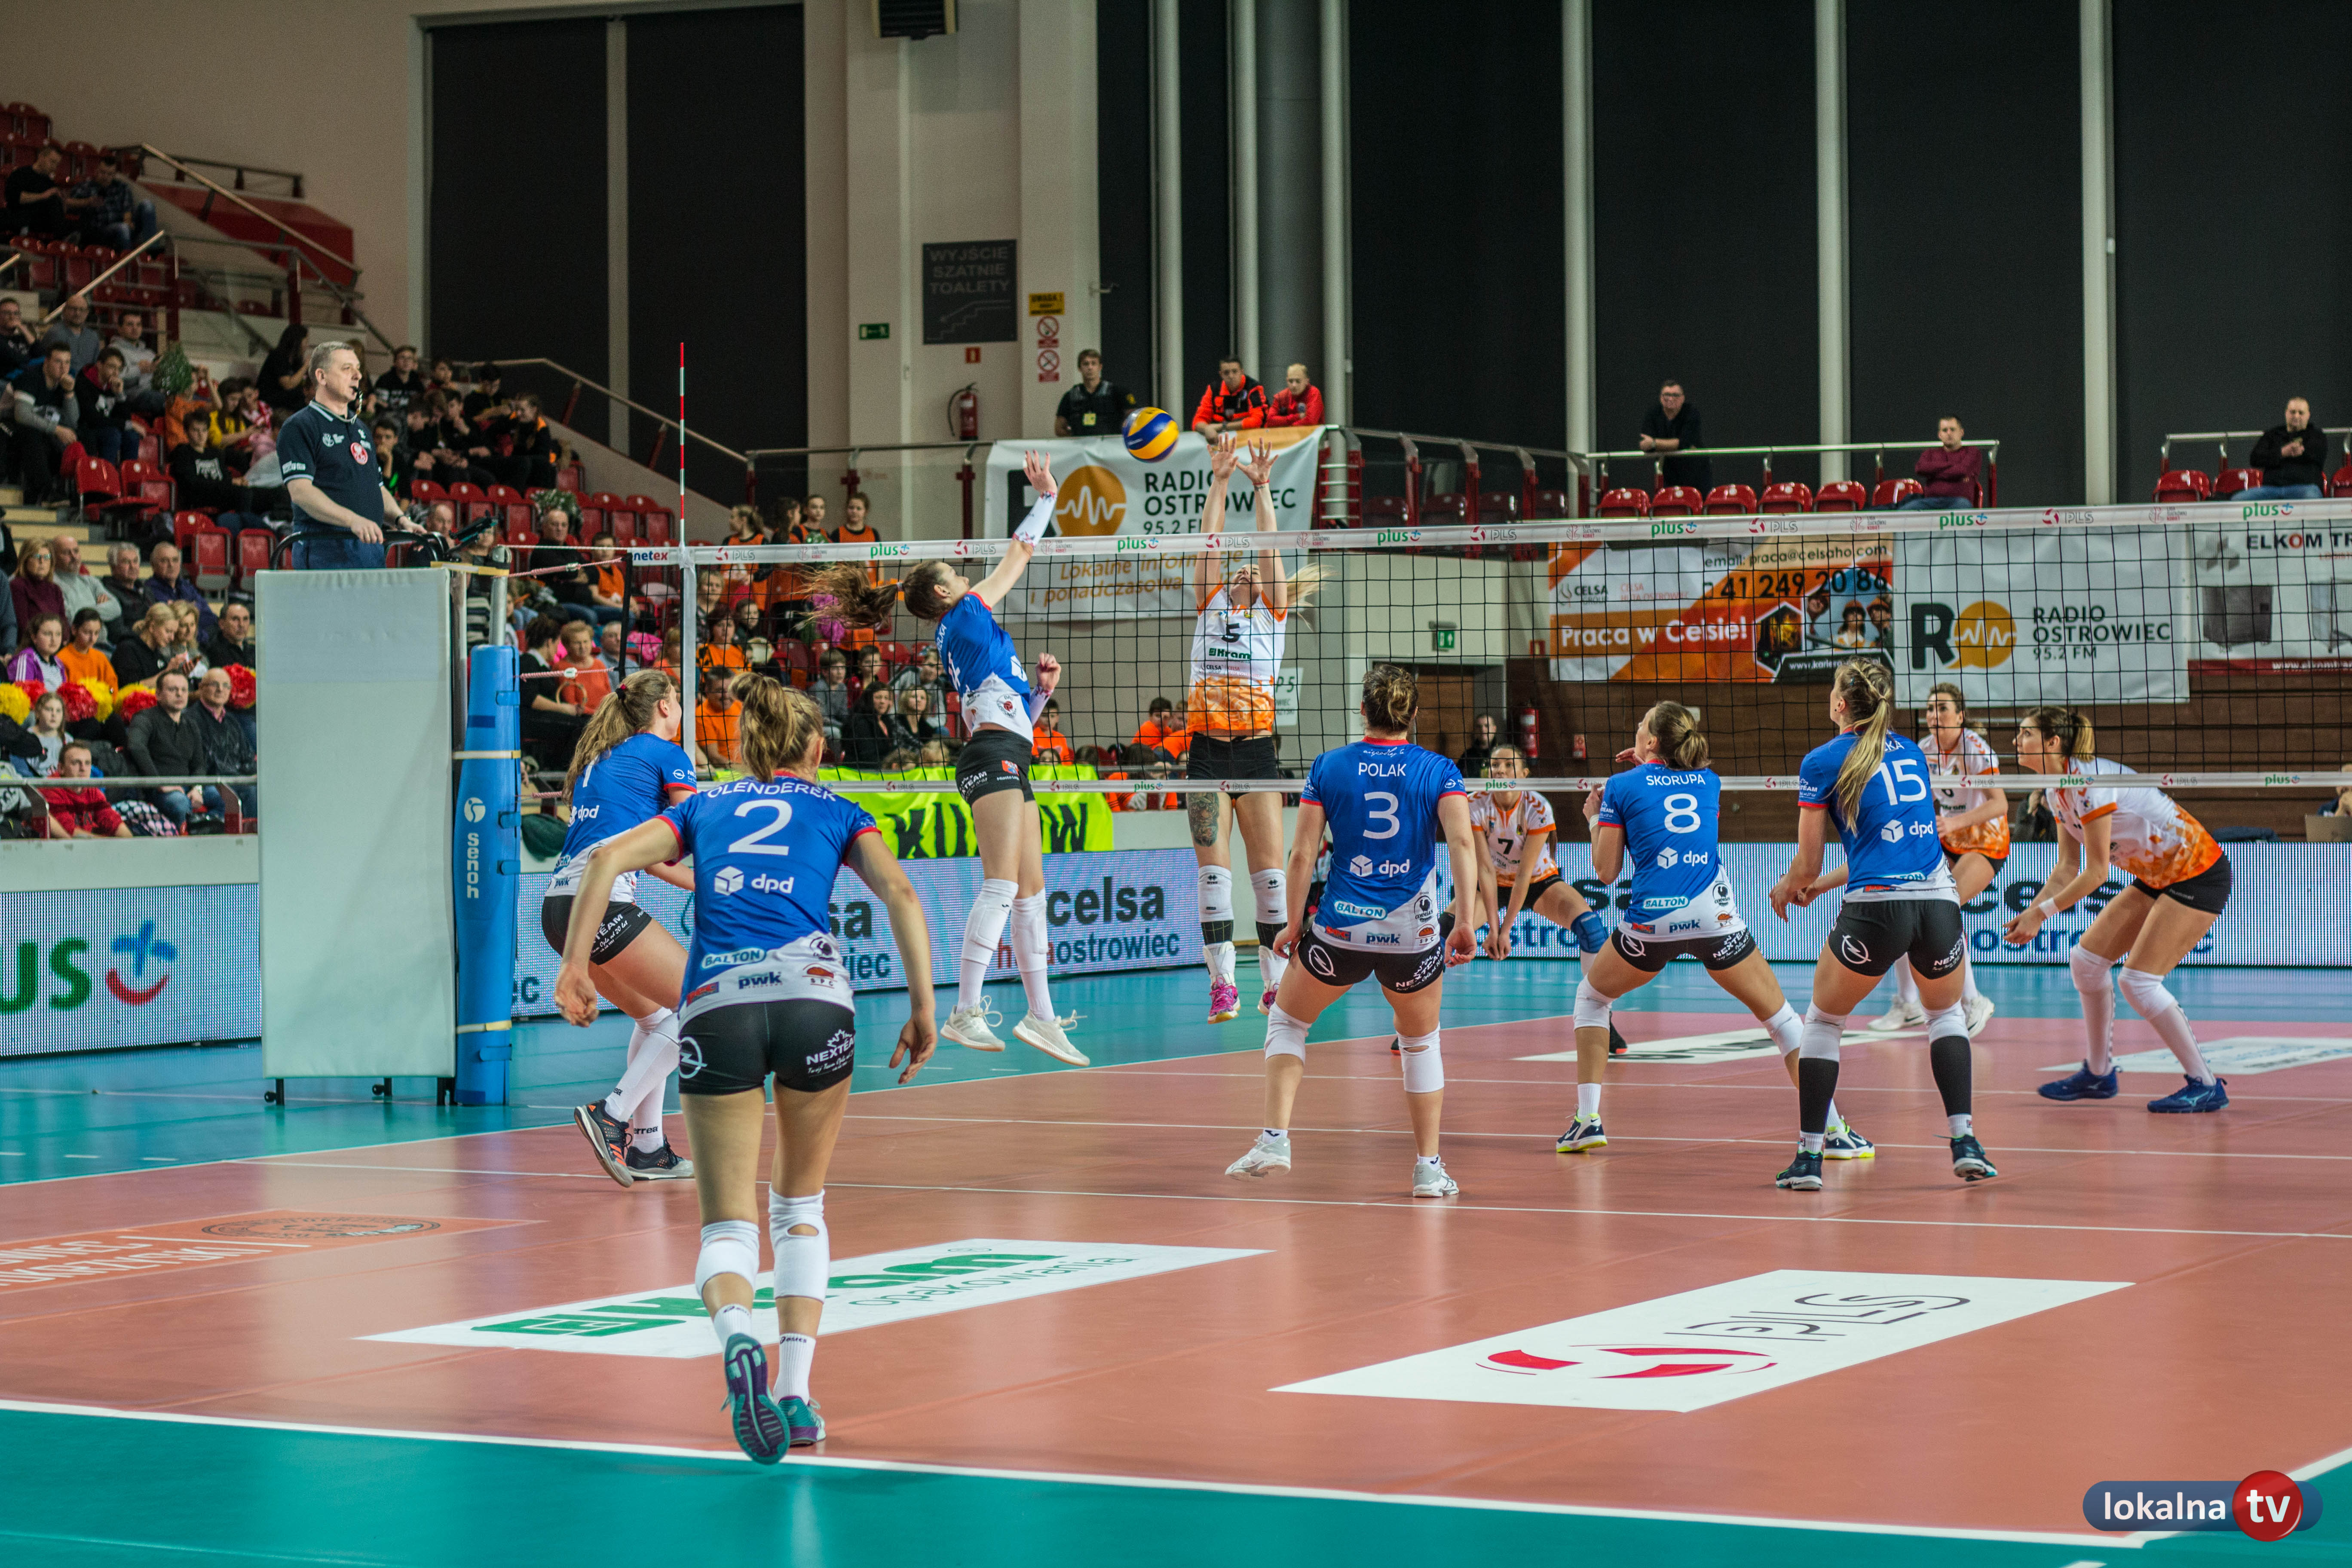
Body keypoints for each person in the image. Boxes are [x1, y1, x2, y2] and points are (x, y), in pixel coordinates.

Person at [553, 674, 937, 1459]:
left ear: (747, 745)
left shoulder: (704, 805)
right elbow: (899, 891)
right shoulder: (839, 809)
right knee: (799, 1209)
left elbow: (605, 857)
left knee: (727, 1224)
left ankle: (736, 1333)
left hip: (719, 1007)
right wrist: (926, 1006)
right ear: (817, 748)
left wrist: (572, 968)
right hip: (813, 1000)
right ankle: (794, 1396)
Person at [805, 451, 1083, 1066]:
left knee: (1031, 892)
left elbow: (1006, 717)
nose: (965, 577)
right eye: (957, 574)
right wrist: (1047, 497)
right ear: (943, 592)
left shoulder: (966, 632)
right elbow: (1020, 555)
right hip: (992, 756)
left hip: (1007, 750)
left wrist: (1040, 696)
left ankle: (1041, 1018)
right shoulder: (968, 614)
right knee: (1004, 883)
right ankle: (965, 1010)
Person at [1224, 665, 1479, 1197]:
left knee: (1287, 1021)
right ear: (1414, 715)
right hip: (1413, 936)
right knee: (1420, 1043)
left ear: (1363, 709)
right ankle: (1428, 1170)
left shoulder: (1330, 766)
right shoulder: (1439, 770)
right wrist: (1466, 922)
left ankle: (1274, 1140)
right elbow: (1461, 844)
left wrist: (1293, 923)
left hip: (1340, 933)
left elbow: (1301, 854)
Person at [1559, 707, 1851, 1155]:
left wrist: (1597, 817)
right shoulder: (1709, 782)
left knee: (1592, 999)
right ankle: (1833, 1131)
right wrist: (1647, 768)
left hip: (1652, 925)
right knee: (1781, 1020)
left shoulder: (1620, 787)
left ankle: (1588, 1121)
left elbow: (1606, 872)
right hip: (1715, 920)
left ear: (1652, 742)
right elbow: (1668, 793)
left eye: (1642, 726)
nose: (1636, 729)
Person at [1768, 659, 1994, 1190]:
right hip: (1938, 905)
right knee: (1946, 1018)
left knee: (1824, 1023)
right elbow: (1888, 844)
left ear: (1840, 704)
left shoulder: (1822, 760)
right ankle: (1966, 1142)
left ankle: (1810, 1158)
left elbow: (1807, 863)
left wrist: (1789, 886)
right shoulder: (1912, 752)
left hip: (1876, 910)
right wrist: (1824, 886)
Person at [2011, 709, 2232, 1113]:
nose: (2015, 741)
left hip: (2197, 872)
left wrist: (2042, 915)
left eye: (2025, 734)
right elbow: (2067, 868)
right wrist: (2033, 911)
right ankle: (2099, 1074)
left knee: (2139, 981)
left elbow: (2097, 873)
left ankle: (2205, 1083)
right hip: (2156, 875)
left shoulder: (2090, 784)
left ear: (2052, 742)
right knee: (2086, 962)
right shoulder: (2057, 790)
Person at [543, 669, 703, 1184]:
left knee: (658, 1020)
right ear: (665, 708)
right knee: (701, 1005)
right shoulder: (666, 754)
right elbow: (695, 830)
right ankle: (611, 1114)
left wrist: (706, 885)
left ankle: (648, 1148)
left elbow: (651, 860)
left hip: (559, 908)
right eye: (678, 700)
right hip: (602, 905)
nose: (682, 710)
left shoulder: (603, 758)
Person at [1185, 435, 1304, 1021]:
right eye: (1238, 569)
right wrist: (1219, 479)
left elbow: (1268, 548)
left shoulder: (1272, 619)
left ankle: (1275, 985)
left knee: (1271, 881)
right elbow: (1210, 543)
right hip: (1206, 754)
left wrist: (1261, 487)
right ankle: (1223, 984)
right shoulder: (1210, 607)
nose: (1244, 571)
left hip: (1257, 755)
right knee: (1213, 878)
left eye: (1253, 571)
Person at [1470, 743, 1624, 1050]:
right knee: (1439, 933)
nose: (1500, 771)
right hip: (1491, 884)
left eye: (1509, 765)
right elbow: (1484, 870)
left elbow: (1524, 875)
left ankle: (1602, 1019)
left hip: (1538, 882)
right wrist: (1492, 929)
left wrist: (1506, 930)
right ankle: (1415, 1023)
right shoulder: (1475, 802)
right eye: (1495, 765)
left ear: (1524, 774)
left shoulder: (1537, 806)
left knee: (1592, 930)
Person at [1870, 684, 2002, 1036]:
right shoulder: (1923, 750)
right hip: (1946, 840)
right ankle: (1908, 1003)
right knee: (1903, 898)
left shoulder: (1975, 749)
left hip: (1985, 841)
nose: (1934, 715)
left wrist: (1954, 823)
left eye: (1943, 708)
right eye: (1930, 709)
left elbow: (2000, 803)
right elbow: (1922, 802)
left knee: (1945, 906)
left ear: (1960, 716)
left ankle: (1974, 1001)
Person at [277, 342, 419, 569]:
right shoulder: (300, 425)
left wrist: (401, 520)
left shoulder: (361, 428)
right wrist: (353, 520)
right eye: (347, 369)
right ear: (322, 377)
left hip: (370, 546)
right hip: (326, 548)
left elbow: (377, 487)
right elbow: (301, 492)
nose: (358, 375)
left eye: (358, 368)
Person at [127, 671, 220, 826]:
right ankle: (183, 838)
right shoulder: (144, 718)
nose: (179, 694)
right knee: (180, 803)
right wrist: (159, 784)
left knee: (224, 799)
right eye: (173, 690)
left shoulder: (191, 724)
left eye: (184, 690)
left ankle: (206, 832)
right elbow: (136, 747)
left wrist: (197, 788)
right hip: (157, 790)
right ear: (158, 694)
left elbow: (199, 764)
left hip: (187, 786)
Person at [167, 418, 278, 540]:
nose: (201, 435)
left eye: (204, 430)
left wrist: (234, 482)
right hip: (200, 495)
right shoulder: (183, 453)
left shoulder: (215, 454)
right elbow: (191, 483)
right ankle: (244, 536)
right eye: (196, 430)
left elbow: (225, 477)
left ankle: (274, 524)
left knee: (270, 494)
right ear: (186, 432)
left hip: (221, 493)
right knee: (243, 494)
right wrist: (228, 483)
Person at [519, 616, 591, 766]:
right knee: (583, 727)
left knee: (588, 721)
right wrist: (563, 708)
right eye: (557, 644)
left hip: (543, 716)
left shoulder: (542, 665)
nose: (558, 649)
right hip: (531, 719)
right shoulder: (528, 661)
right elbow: (531, 699)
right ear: (549, 642)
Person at [12, 343, 79, 504]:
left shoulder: (63, 384)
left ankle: (78, 494)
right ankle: (47, 492)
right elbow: (21, 416)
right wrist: (57, 430)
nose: (64, 368)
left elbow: (73, 421)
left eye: (67, 362)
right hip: (9, 429)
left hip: (41, 433)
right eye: (58, 361)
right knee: (33, 434)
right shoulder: (31, 378)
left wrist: (69, 392)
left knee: (80, 435)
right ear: (47, 362)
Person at [190, 668, 257, 818]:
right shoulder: (191, 719)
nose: (221, 689)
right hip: (211, 781)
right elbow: (200, 762)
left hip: (236, 779)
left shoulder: (232, 721)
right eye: (214, 684)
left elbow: (247, 756)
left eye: (226, 685)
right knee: (251, 791)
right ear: (201, 687)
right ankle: (251, 832)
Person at [2244, 398, 2333, 499]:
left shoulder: (2317, 436)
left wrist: (2301, 452)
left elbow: (2319, 455)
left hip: (2305, 489)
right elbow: (2255, 459)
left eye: (2301, 413)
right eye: (2293, 412)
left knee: (2311, 495)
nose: (2296, 416)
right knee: (2238, 500)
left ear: (2308, 415)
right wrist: (2282, 453)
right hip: (2271, 489)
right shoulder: (2272, 435)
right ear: (2286, 413)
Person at [40, 743, 130, 838]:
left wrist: (130, 841)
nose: (83, 769)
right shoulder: (50, 788)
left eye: (87, 763)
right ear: (61, 768)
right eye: (76, 763)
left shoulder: (92, 791)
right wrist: (109, 843)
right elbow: (69, 832)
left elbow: (113, 821)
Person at [1637, 380, 1712, 492]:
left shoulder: (1691, 413)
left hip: (1696, 471)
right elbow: (1645, 445)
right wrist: (1672, 444)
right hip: (1668, 472)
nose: (1671, 399)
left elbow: (1684, 443)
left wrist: (1655, 443)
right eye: (1667, 395)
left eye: (1675, 395)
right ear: (1661, 398)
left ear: (1683, 398)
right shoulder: (1653, 414)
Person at [1896, 416, 1982, 509]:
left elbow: (1962, 471)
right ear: (1940, 435)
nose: (1949, 433)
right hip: (1930, 501)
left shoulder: (1972, 452)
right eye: (1945, 430)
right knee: (1905, 511)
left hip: (1959, 502)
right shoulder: (1930, 453)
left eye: (1953, 430)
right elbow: (1920, 468)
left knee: (1963, 506)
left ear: (1962, 432)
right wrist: (1954, 468)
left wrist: (1934, 473)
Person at [50, 536, 122, 644]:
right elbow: (72, 619)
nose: (74, 557)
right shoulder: (54, 585)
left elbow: (116, 607)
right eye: (66, 553)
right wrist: (100, 609)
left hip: (104, 645)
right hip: (77, 646)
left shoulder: (91, 581)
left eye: (76, 551)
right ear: (54, 557)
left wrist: (84, 613)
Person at [1053, 349, 1137, 438]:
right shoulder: (1071, 396)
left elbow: (1134, 419)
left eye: (1094, 364)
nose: (1090, 368)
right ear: (1080, 368)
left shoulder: (1117, 392)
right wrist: (1075, 439)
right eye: (1086, 364)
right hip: (1080, 445)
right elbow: (1059, 428)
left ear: (1100, 367)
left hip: (1111, 444)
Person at [82, 154, 157, 253]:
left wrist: (128, 221)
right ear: (97, 171)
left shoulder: (122, 187)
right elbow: (69, 202)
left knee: (148, 205)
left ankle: (152, 252)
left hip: (123, 224)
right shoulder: (88, 186)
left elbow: (127, 209)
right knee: (123, 228)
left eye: (110, 174)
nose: (106, 177)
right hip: (101, 229)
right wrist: (87, 202)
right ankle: (128, 258)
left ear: (114, 174)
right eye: (103, 173)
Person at [141, 542, 215, 643]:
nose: (171, 565)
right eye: (164, 561)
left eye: (175, 560)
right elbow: (174, 627)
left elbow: (209, 617)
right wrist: (194, 608)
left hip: (198, 641)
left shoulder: (186, 586)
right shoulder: (149, 590)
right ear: (153, 565)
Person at [113, 602, 194, 689]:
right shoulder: (127, 650)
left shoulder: (158, 656)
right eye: (168, 631)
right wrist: (167, 673)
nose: (172, 638)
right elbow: (130, 689)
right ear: (152, 627)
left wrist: (181, 676)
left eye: (174, 633)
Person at [1191, 355, 1268, 435]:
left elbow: (1257, 422)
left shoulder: (1254, 388)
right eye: (1226, 373)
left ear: (1242, 372)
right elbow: (1198, 421)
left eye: (1235, 372)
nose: (1231, 376)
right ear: (1221, 374)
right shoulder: (1213, 390)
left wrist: (1223, 427)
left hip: (1252, 436)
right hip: (1221, 438)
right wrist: (1207, 429)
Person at [4, 145, 66, 239]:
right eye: (52, 162)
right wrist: (43, 196)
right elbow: (14, 197)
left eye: (57, 165)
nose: (54, 167)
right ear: (41, 157)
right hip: (20, 215)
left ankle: (61, 239)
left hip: (40, 220)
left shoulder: (50, 183)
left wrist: (63, 202)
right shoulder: (20, 174)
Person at [11, 542, 65, 649]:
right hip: (29, 647)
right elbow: (23, 626)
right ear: (25, 560)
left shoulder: (56, 589)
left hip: (55, 647)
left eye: (47, 557)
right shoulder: (17, 586)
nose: (42, 561)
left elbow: (63, 623)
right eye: (36, 556)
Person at [842, 680, 899, 767]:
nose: (883, 701)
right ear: (868, 699)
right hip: (861, 771)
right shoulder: (861, 722)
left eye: (886, 698)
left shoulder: (887, 722)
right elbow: (868, 757)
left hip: (881, 769)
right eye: (878, 697)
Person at [256, 324, 310, 415]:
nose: (307, 346)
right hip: (271, 401)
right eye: (306, 342)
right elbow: (288, 384)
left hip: (285, 402)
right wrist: (305, 366)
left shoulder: (295, 361)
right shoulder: (278, 357)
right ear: (298, 342)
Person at [42, 297, 104, 377]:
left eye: (82, 310)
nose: (78, 313)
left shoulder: (93, 337)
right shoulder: (55, 334)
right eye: (73, 309)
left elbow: (95, 367)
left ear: (87, 313)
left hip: (86, 382)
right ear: (65, 311)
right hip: (60, 381)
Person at [58, 609, 117, 692]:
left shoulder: (100, 658)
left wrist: (109, 693)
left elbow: (112, 688)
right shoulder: (62, 659)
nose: (92, 639)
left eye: (96, 633)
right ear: (74, 630)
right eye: (87, 633)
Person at [7, 612, 67, 688]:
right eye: (48, 634)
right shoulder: (25, 660)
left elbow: (65, 691)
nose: (54, 639)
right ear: (34, 637)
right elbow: (22, 692)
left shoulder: (59, 663)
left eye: (58, 634)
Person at [1262, 363, 1325, 428]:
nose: (1294, 385)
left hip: (1311, 434)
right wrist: (1298, 417)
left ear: (1307, 381)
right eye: (1291, 381)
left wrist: (1290, 427)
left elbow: (1311, 421)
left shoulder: (1313, 393)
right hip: (1287, 434)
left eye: (1298, 381)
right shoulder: (1281, 396)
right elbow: (1270, 421)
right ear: (1287, 380)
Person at [374, 346, 427, 418]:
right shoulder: (385, 380)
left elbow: (422, 406)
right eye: (402, 358)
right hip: (389, 419)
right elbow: (381, 406)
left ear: (413, 364)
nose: (406, 361)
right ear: (395, 362)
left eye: (410, 358)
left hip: (412, 419)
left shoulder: (417, 382)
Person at [24, 691, 68, 774]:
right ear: (38, 713)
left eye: (58, 711)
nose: (54, 714)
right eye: (49, 710)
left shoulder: (67, 740)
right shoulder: (25, 737)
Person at [1030, 697, 1074, 764]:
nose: (1049, 720)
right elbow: (1036, 762)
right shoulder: (1032, 736)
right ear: (1037, 716)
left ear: (1057, 718)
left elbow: (1067, 764)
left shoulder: (1061, 738)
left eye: (1052, 716)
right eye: (1044, 716)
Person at [1456, 713, 1499, 778]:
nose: (1483, 730)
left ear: (1494, 729)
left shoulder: (1504, 752)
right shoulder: (1467, 755)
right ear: (1475, 730)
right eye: (1479, 727)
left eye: (1487, 726)